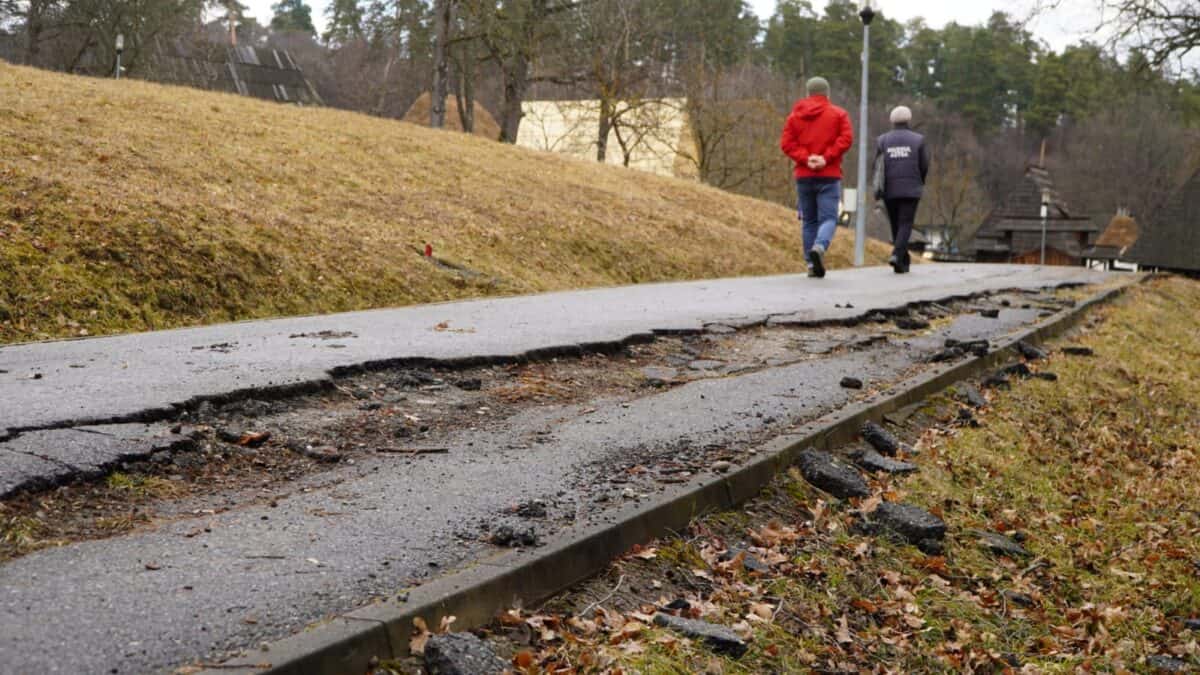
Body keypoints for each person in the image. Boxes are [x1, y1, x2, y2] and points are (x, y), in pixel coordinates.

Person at [780, 76, 854, 278]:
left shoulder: (795, 116)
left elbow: (786, 144)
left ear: (808, 93)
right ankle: (820, 247)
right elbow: (846, 139)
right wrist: (826, 158)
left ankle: (811, 265)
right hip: (829, 175)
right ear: (827, 93)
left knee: (809, 221)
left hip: (804, 175)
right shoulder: (839, 114)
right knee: (829, 218)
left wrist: (806, 159)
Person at [873, 105, 929, 274]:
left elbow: (876, 166)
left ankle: (902, 261)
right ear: (909, 119)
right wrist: (920, 181)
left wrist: (877, 187)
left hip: (889, 189)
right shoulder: (918, 140)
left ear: (892, 121)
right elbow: (924, 164)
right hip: (911, 189)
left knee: (896, 223)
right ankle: (898, 255)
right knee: (905, 223)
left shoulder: (882, 140)